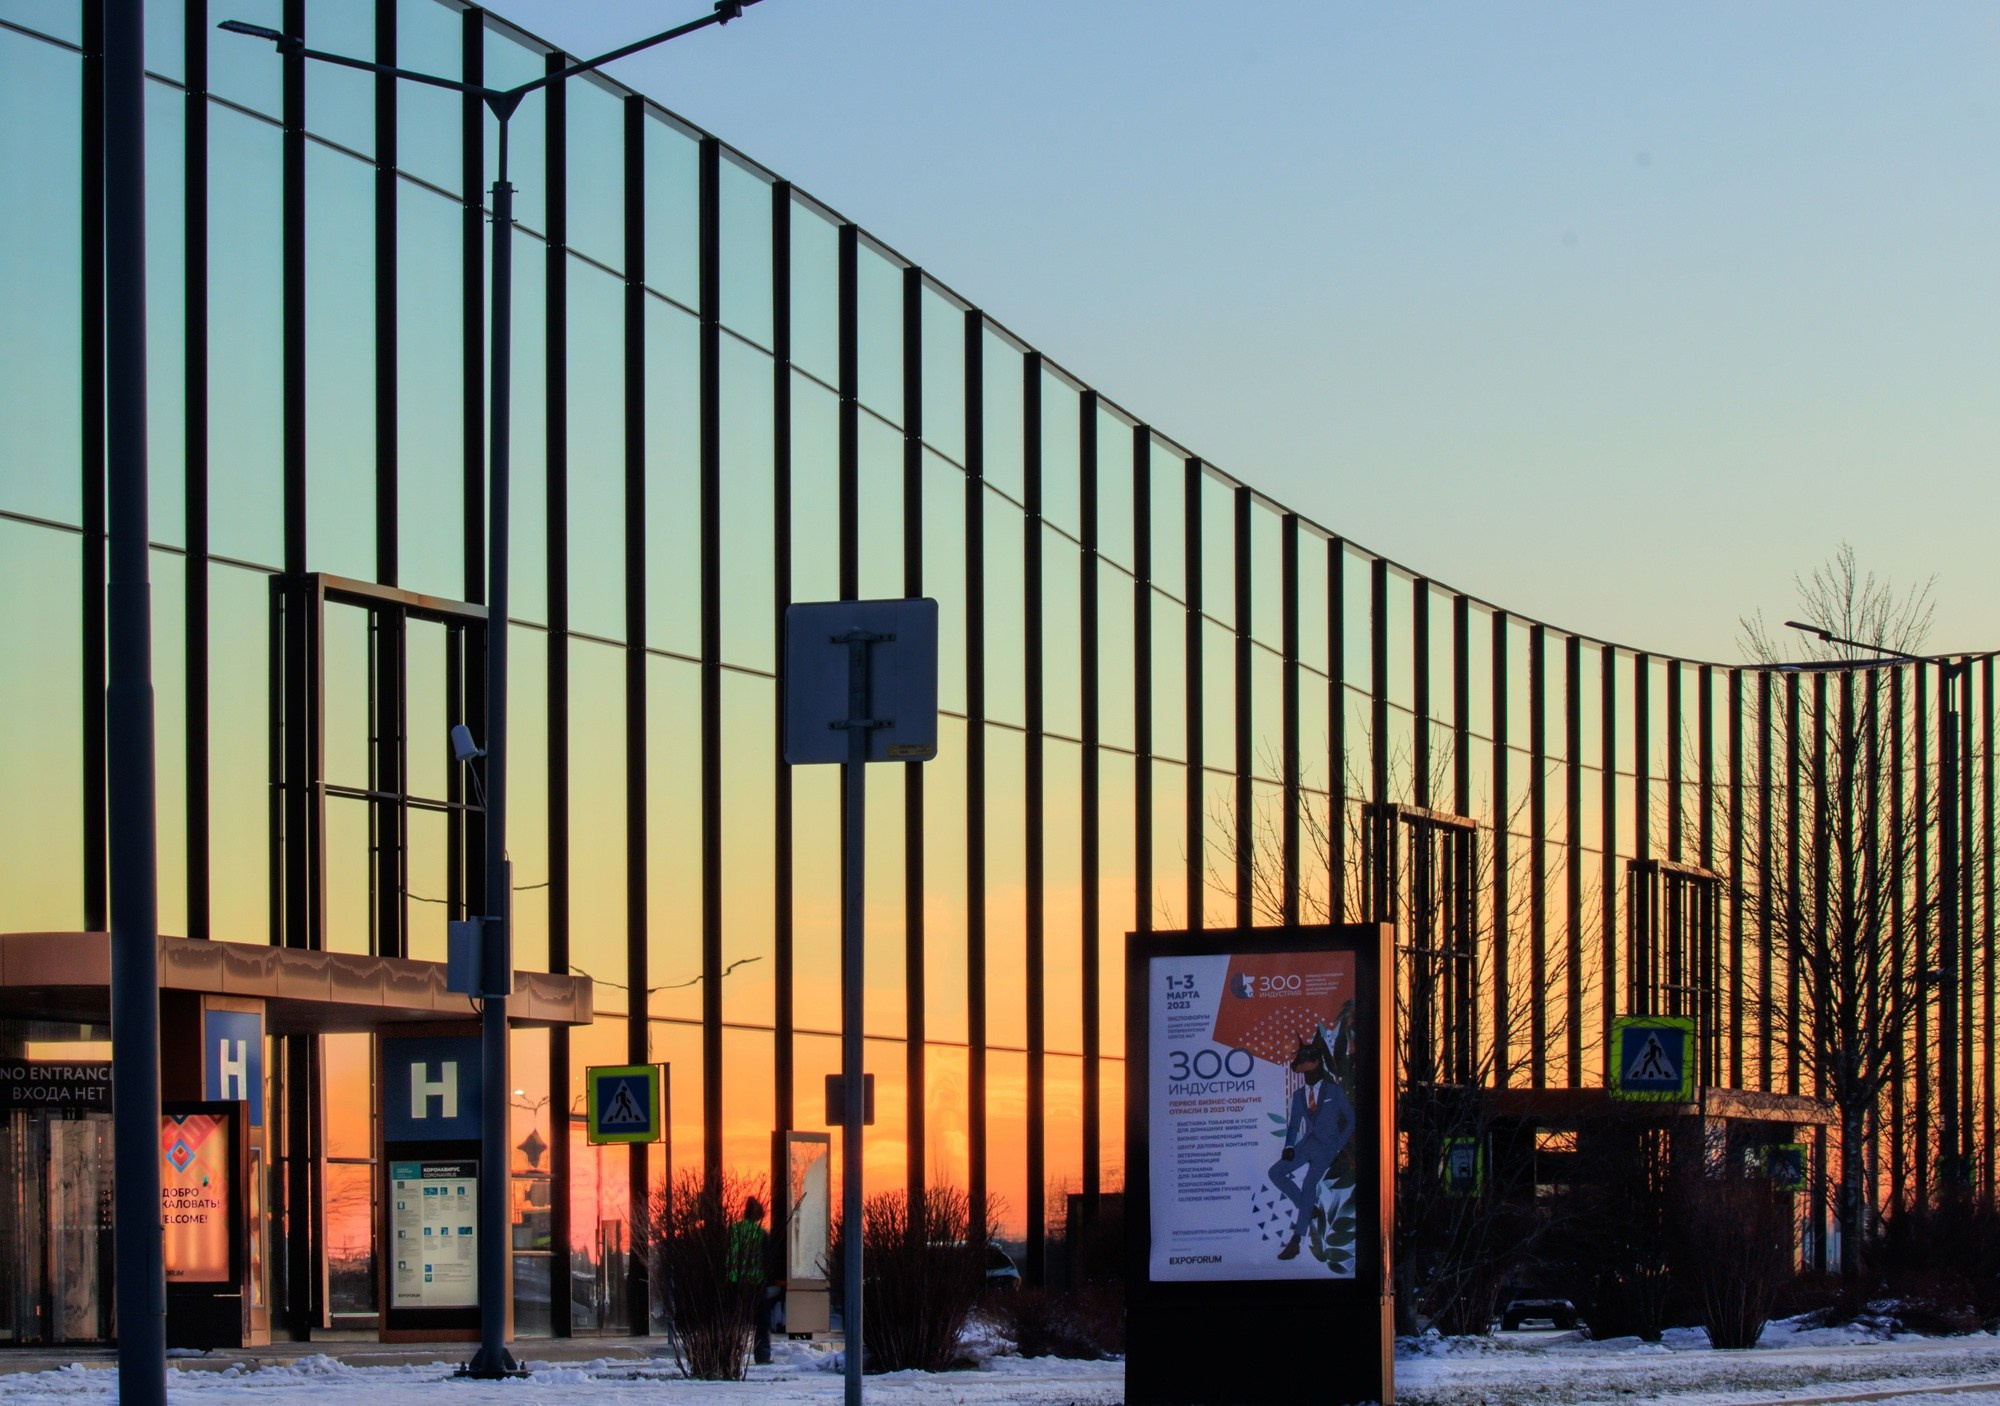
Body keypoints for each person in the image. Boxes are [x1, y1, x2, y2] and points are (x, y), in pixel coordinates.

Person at [1266, 1035, 1356, 1261]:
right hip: (1306, 1144)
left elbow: (1351, 1119)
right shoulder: (1298, 1096)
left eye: (1307, 1063)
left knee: (1308, 1184)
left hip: (1327, 1148)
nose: (1304, 1070)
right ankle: (1308, 1207)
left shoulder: (1333, 1092)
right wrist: (1288, 1146)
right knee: (1275, 1172)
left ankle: (1296, 1240)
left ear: (1317, 1063)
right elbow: (1294, 1124)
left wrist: (1338, 1146)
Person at [728, 1196, 777, 1365]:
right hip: (756, 1283)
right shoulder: (760, 1233)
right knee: (762, 1322)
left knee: (733, 1321)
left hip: (734, 1282)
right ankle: (762, 1356)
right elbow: (767, 1260)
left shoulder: (733, 1230)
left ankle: (729, 1354)